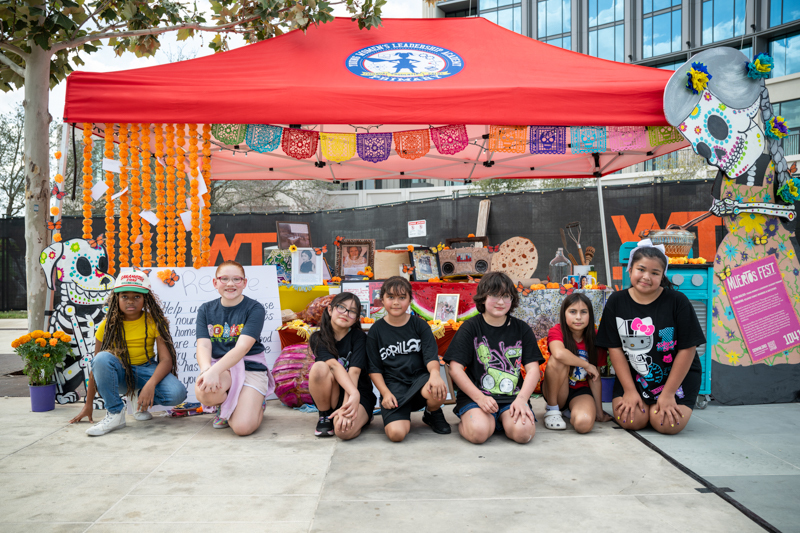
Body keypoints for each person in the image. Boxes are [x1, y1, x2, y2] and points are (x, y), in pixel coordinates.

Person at [596, 240, 706, 434]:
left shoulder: (677, 301)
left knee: (666, 425)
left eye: (655, 273)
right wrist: (629, 390)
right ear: (630, 270)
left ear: (662, 276)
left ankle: (657, 405)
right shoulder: (616, 301)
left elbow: (688, 348)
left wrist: (668, 393)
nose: (647, 277)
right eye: (641, 269)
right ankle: (645, 406)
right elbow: (614, 349)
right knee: (632, 421)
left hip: (676, 378)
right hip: (635, 376)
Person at [69, 271, 187, 436]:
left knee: (177, 393)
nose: (130, 301)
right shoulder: (106, 326)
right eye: (124, 296)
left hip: (146, 369)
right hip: (120, 375)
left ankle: (137, 396)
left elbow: (166, 360)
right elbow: (96, 367)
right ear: (116, 299)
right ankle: (116, 414)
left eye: (137, 297)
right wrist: (88, 404)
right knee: (101, 357)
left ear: (146, 299)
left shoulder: (154, 321)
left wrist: (150, 385)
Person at [444, 272, 542, 444]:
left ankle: (502, 420)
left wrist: (522, 399)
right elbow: (455, 368)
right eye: (494, 295)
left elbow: (533, 369)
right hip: (476, 396)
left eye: (506, 296)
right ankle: (471, 421)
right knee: (478, 433)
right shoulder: (470, 327)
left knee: (523, 433)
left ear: (513, 300)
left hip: (512, 397)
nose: (500, 301)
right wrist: (480, 398)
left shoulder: (522, 329)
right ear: (482, 298)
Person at [195, 260, 275, 436]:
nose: (230, 284)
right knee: (204, 390)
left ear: (244, 283)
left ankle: (256, 403)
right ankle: (226, 405)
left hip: (249, 367)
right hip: (222, 368)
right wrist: (207, 370)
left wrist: (214, 371)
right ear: (215, 283)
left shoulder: (254, 308)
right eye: (224, 279)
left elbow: (243, 348)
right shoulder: (206, 309)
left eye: (236, 279)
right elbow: (203, 344)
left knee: (242, 428)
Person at [367, 276, 451, 442]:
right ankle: (401, 414)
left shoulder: (419, 325)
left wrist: (435, 374)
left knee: (437, 387)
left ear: (410, 300)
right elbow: (374, 368)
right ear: (382, 300)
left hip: (419, 381)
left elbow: (430, 356)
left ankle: (432, 412)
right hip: (394, 387)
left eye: (402, 297)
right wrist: (385, 393)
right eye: (390, 297)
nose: (396, 302)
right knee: (396, 435)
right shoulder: (376, 331)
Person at [308, 293, 377, 439]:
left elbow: (354, 373)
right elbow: (333, 365)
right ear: (330, 310)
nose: (346, 313)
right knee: (319, 367)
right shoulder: (318, 338)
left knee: (343, 432)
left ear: (356, 318)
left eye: (352, 311)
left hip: (358, 392)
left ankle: (362, 416)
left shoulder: (360, 337)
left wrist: (349, 403)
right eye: (341, 307)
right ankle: (325, 416)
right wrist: (353, 393)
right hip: (333, 394)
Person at [543, 293, 612, 433]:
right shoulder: (557, 330)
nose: (578, 317)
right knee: (560, 359)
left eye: (583, 312)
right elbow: (559, 353)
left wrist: (599, 412)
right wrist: (586, 365)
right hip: (557, 390)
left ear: (590, 315)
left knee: (584, 424)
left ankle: (572, 411)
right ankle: (552, 410)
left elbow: (595, 377)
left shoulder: (596, 337)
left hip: (580, 391)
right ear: (564, 314)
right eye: (573, 312)